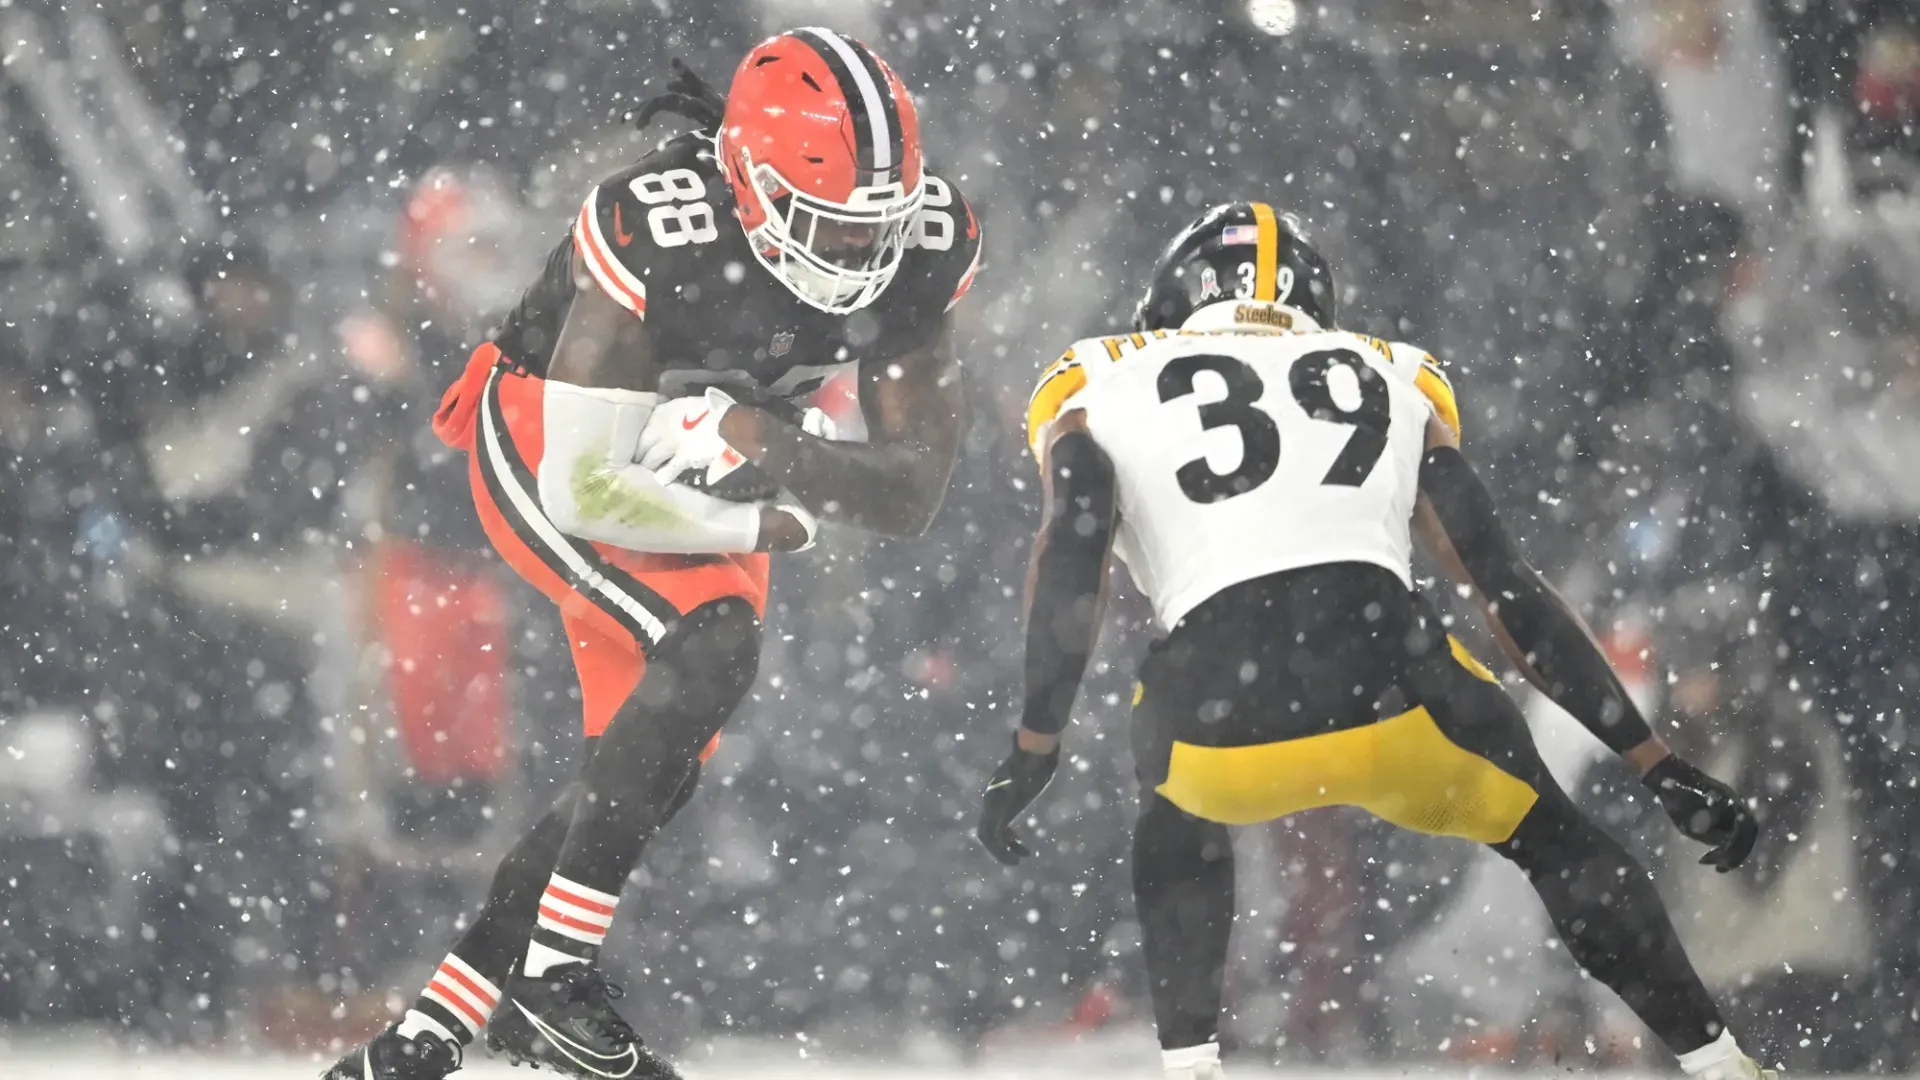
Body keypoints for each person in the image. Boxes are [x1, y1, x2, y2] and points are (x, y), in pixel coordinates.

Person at [974, 203, 1770, 1080]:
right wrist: (1655, 763)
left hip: (1214, 730)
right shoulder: (1389, 372)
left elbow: (1073, 547)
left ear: (1169, 300)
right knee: (1559, 842)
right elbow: (1502, 584)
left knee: (1173, 802)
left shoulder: (1098, 375)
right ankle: (1720, 1061)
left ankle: (1191, 1063)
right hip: (1399, 696)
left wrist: (1034, 741)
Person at [326, 28, 980, 1080]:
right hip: (545, 438)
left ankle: (423, 1041)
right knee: (714, 647)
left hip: (702, 460)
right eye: (828, 227)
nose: (859, 257)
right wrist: (762, 508)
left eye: (879, 231)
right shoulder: (656, 228)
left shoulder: (925, 246)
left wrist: (764, 444)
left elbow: (908, 493)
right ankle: (549, 983)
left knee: (645, 774)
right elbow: (584, 488)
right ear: (748, 183)